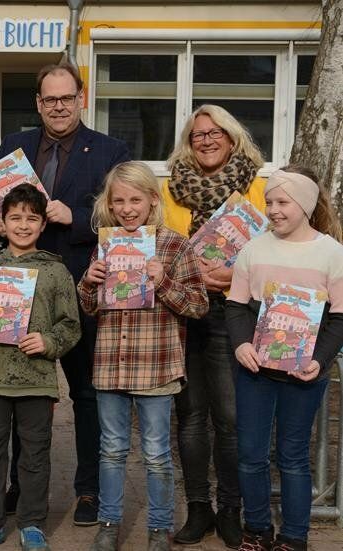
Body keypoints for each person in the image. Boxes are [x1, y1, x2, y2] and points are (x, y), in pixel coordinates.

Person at [0, 62, 129, 524]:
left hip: (80, 290)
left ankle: (88, 491)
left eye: (66, 98)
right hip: (18, 292)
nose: (58, 107)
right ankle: (21, 485)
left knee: (86, 395)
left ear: (81, 98)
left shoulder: (110, 150)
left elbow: (125, 215)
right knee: (21, 392)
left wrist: (75, 218)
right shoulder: (15, 146)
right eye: (49, 99)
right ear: (38, 103)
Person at [77, 162, 208, 551]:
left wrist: (162, 280)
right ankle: (109, 523)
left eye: (136, 199)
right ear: (110, 205)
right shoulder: (107, 244)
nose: (128, 208)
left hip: (157, 367)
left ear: (153, 200)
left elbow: (199, 305)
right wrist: (88, 282)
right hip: (111, 367)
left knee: (155, 453)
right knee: (112, 450)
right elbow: (89, 307)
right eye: (119, 201)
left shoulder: (175, 244)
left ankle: (159, 527)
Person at [162, 104, 266, 547]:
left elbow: (273, 250)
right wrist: (189, 276)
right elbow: (159, 245)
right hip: (183, 311)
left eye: (215, 132)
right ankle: (198, 508)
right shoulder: (168, 191)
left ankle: (230, 509)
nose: (206, 139)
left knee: (230, 418)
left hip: (233, 311)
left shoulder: (258, 188)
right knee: (190, 417)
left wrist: (239, 276)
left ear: (232, 137)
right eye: (197, 134)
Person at [225, 166, 343, 551]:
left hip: (304, 374)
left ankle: (294, 536)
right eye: (269, 201)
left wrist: (321, 360)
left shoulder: (332, 253)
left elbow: (340, 316)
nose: (273, 210)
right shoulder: (253, 249)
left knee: (293, 456)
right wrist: (242, 344)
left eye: (282, 202)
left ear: (306, 204)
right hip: (255, 370)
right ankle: (257, 529)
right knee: (250, 454)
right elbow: (236, 305)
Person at [0, 184, 81, 551]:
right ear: (2, 222)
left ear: (43, 224)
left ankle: (31, 523)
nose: (23, 225)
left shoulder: (56, 272)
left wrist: (48, 342)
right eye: (15, 218)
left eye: (32, 218)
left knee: (35, 454)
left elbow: (70, 324)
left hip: (37, 380)